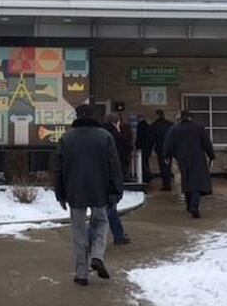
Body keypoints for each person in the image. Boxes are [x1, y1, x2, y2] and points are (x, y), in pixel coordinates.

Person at [54, 104, 124, 286]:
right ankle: (97, 256)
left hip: (74, 191)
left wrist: (60, 193)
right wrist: (116, 190)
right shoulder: (105, 136)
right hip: (100, 189)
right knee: (101, 222)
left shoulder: (66, 138)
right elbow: (114, 166)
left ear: (76, 116)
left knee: (78, 231)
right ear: (94, 116)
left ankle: (81, 274)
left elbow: (58, 169)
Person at [164, 110, 215, 218]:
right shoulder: (198, 127)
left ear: (181, 118)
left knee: (186, 181)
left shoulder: (174, 129)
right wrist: (211, 156)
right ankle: (194, 206)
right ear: (190, 117)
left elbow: (168, 144)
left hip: (182, 159)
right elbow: (207, 143)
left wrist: (167, 156)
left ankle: (188, 205)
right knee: (196, 183)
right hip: (198, 159)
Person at [102, 114, 132, 245]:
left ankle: (119, 234)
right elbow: (127, 147)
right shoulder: (115, 135)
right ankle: (90, 238)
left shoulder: (101, 134)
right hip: (112, 175)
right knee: (107, 208)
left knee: (109, 208)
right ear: (116, 122)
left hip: (101, 175)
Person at [151, 109, 173, 191]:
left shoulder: (155, 125)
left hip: (160, 148)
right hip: (169, 148)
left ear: (157, 115)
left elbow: (152, 138)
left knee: (162, 166)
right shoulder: (170, 124)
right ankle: (168, 182)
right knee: (168, 165)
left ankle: (166, 184)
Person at [135, 117, 155, 183]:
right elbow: (152, 139)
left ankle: (146, 175)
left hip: (142, 148)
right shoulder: (149, 127)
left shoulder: (140, 127)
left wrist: (137, 146)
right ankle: (148, 175)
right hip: (148, 148)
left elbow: (139, 137)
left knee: (143, 162)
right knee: (145, 161)